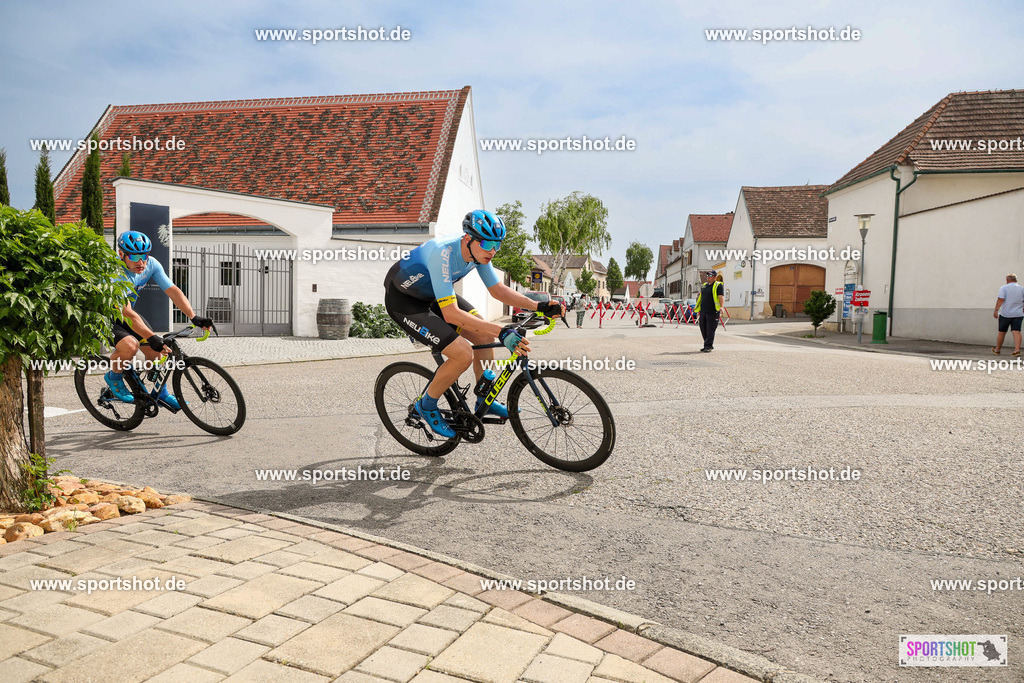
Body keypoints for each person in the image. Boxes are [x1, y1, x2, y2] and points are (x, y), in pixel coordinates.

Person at [383, 210, 564, 437]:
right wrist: (502, 331)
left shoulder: (479, 254)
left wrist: (538, 306)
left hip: (432, 297)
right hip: (406, 302)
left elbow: (498, 290)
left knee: (484, 335)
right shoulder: (444, 253)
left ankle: (483, 398)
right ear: (468, 239)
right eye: (488, 243)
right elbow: (451, 314)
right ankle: (426, 405)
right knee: (462, 354)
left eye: (497, 245)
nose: (493, 251)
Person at [106, 231, 214, 408]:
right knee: (130, 346)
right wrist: (151, 337)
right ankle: (114, 377)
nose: (141, 262)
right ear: (121, 254)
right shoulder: (115, 273)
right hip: (105, 316)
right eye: (134, 256)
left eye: (144, 256)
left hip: (127, 314)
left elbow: (172, 291)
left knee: (157, 353)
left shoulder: (151, 264)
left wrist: (194, 317)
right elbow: (126, 312)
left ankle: (161, 393)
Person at [993, 273, 1024, 356]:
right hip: (1018, 314)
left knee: (1002, 332)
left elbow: (1001, 299)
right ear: (1016, 280)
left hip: (1005, 314)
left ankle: (998, 349)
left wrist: (996, 310)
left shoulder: (1004, 288)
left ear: (1007, 280)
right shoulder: (1022, 289)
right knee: (1016, 331)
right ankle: (1017, 350)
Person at [694, 269, 723, 352]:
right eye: (707, 275)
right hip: (703, 311)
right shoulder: (705, 285)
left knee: (710, 329)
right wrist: (697, 307)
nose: (708, 277)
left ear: (715, 277)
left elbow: (721, 297)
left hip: (713, 311)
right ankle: (707, 343)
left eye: (710, 276)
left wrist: (722, 307)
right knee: (703, 328)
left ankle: (708, 345)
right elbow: (701, 297)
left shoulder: (718, 285)